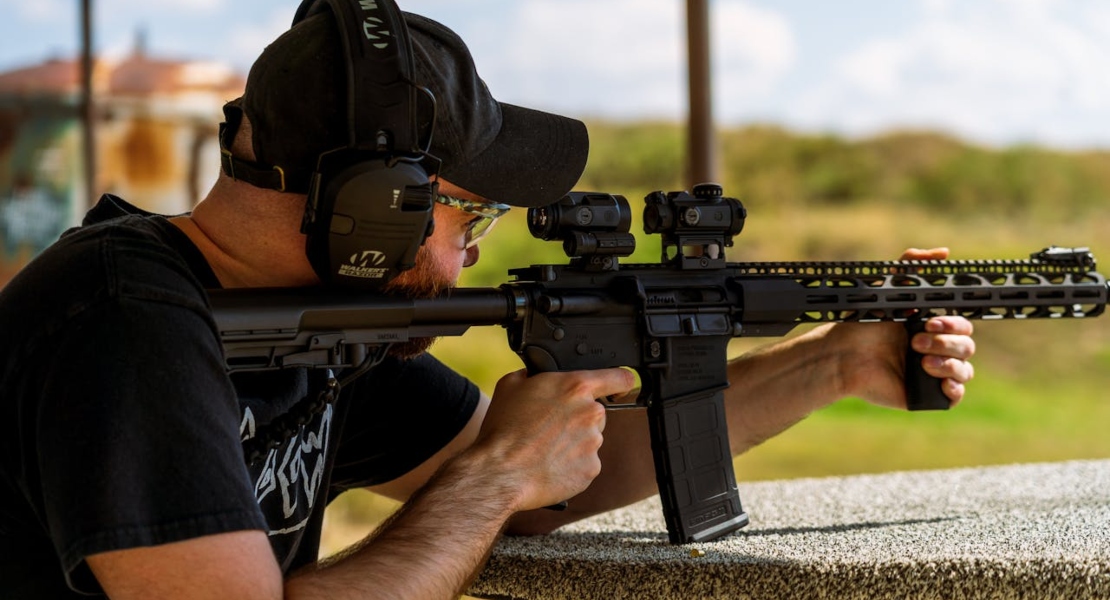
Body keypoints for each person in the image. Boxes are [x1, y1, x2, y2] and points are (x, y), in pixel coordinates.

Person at [0, 7, 976, 600]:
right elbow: (495, 485)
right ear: (372, 208)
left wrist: (836, 361)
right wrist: (495, 477)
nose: (479, 241)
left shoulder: (306, 326)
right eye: (474, 209)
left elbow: (559, 486)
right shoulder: (126, 325)